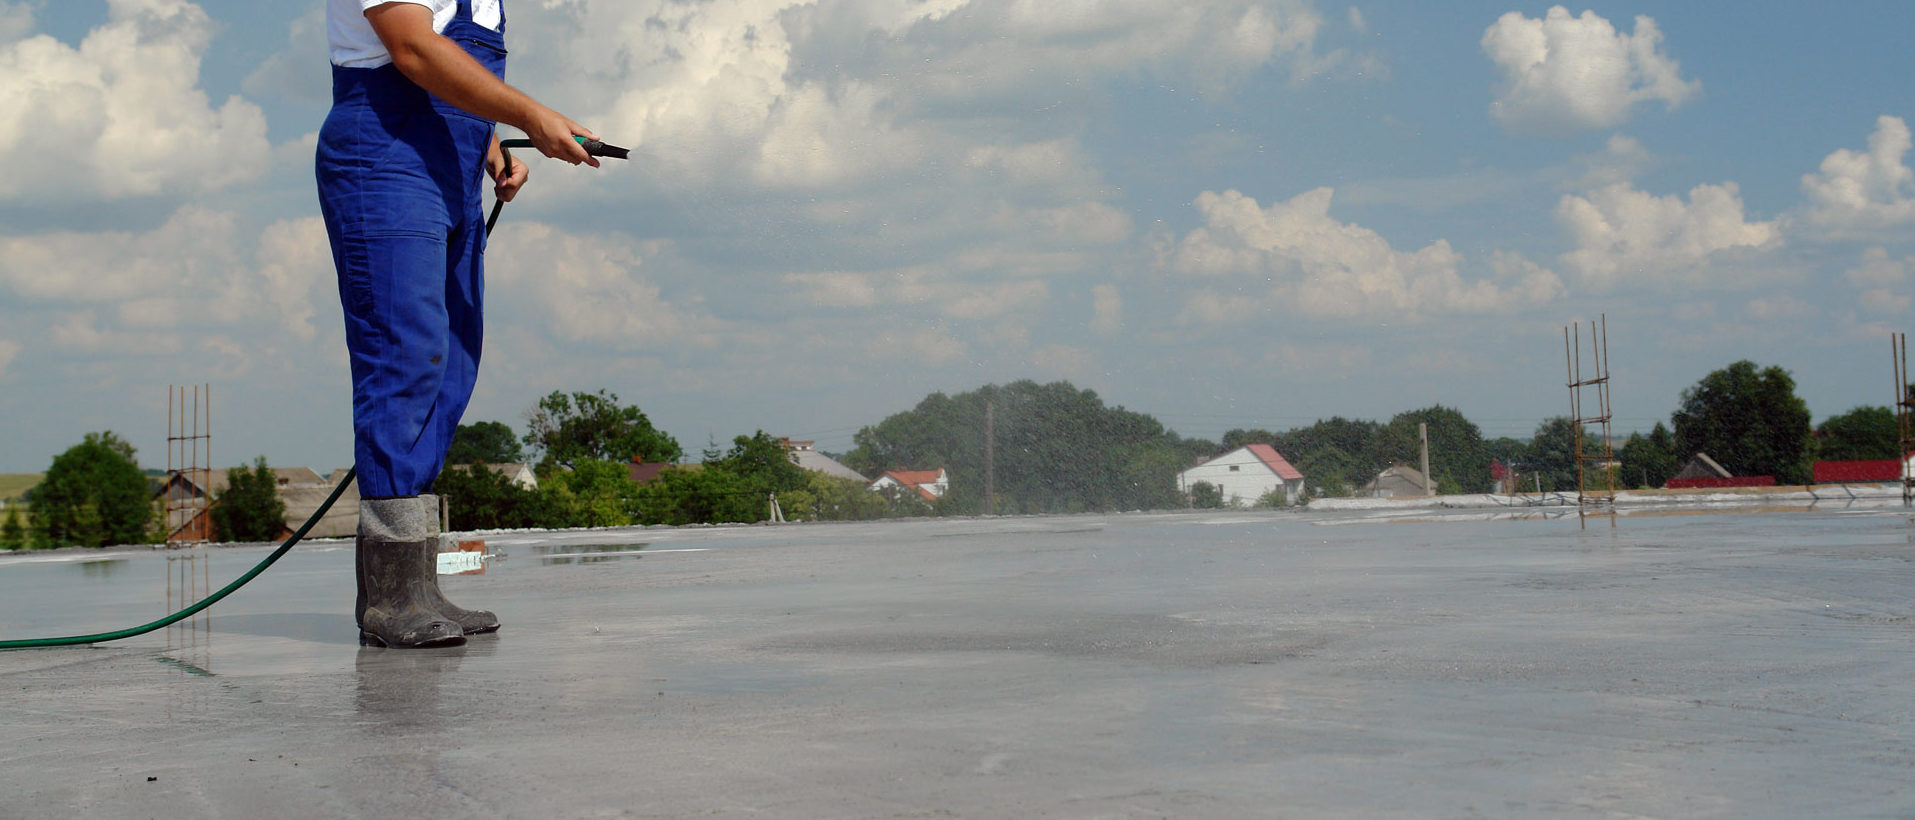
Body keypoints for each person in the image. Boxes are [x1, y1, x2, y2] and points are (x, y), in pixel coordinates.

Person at [318, 0, 598, 647]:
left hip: (450, 163)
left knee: (450, 358)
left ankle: (418, 584)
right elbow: (412, 50)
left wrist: (494, 147)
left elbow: (452, 66)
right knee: (405, 355)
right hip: (385, 153)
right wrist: (530, 115)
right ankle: (387, 599)